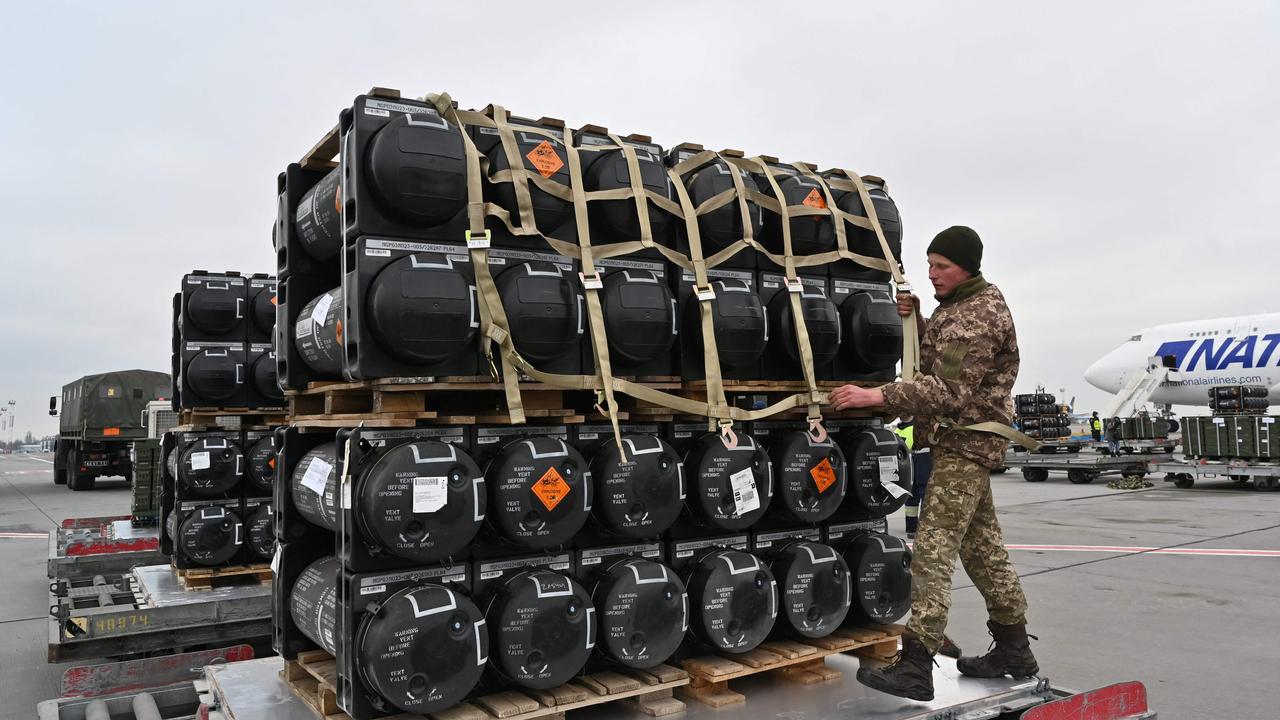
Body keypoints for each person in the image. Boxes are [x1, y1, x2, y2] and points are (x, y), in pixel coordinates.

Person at [829, 226, 1037, 701]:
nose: (932, 274)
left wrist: (875, 394)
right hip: (963, 445)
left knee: (932, 551)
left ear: (966, 266)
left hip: (965, 445)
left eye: (941, 266)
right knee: (984, 552)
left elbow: (947, 390)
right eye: (929, 264)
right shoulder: (958, 309)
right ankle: (1014, 648)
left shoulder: (977, 315)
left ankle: (916, 663)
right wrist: (920, 321)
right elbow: (944, 363)